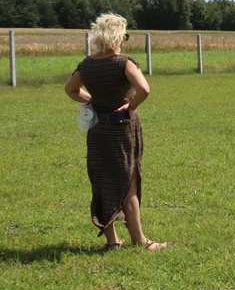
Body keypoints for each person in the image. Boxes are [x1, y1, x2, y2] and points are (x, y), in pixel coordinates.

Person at [64, 14, 166, 251]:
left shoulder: (87, 64)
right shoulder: (124, 62)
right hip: (122, 129)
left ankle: (113, 240)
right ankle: (139, 239)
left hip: (98, 129)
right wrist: (130, 107)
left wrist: (93, 99)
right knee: (128, 180)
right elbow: (144, 89)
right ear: (119, 36)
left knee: (103, 181)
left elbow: (70, 89)